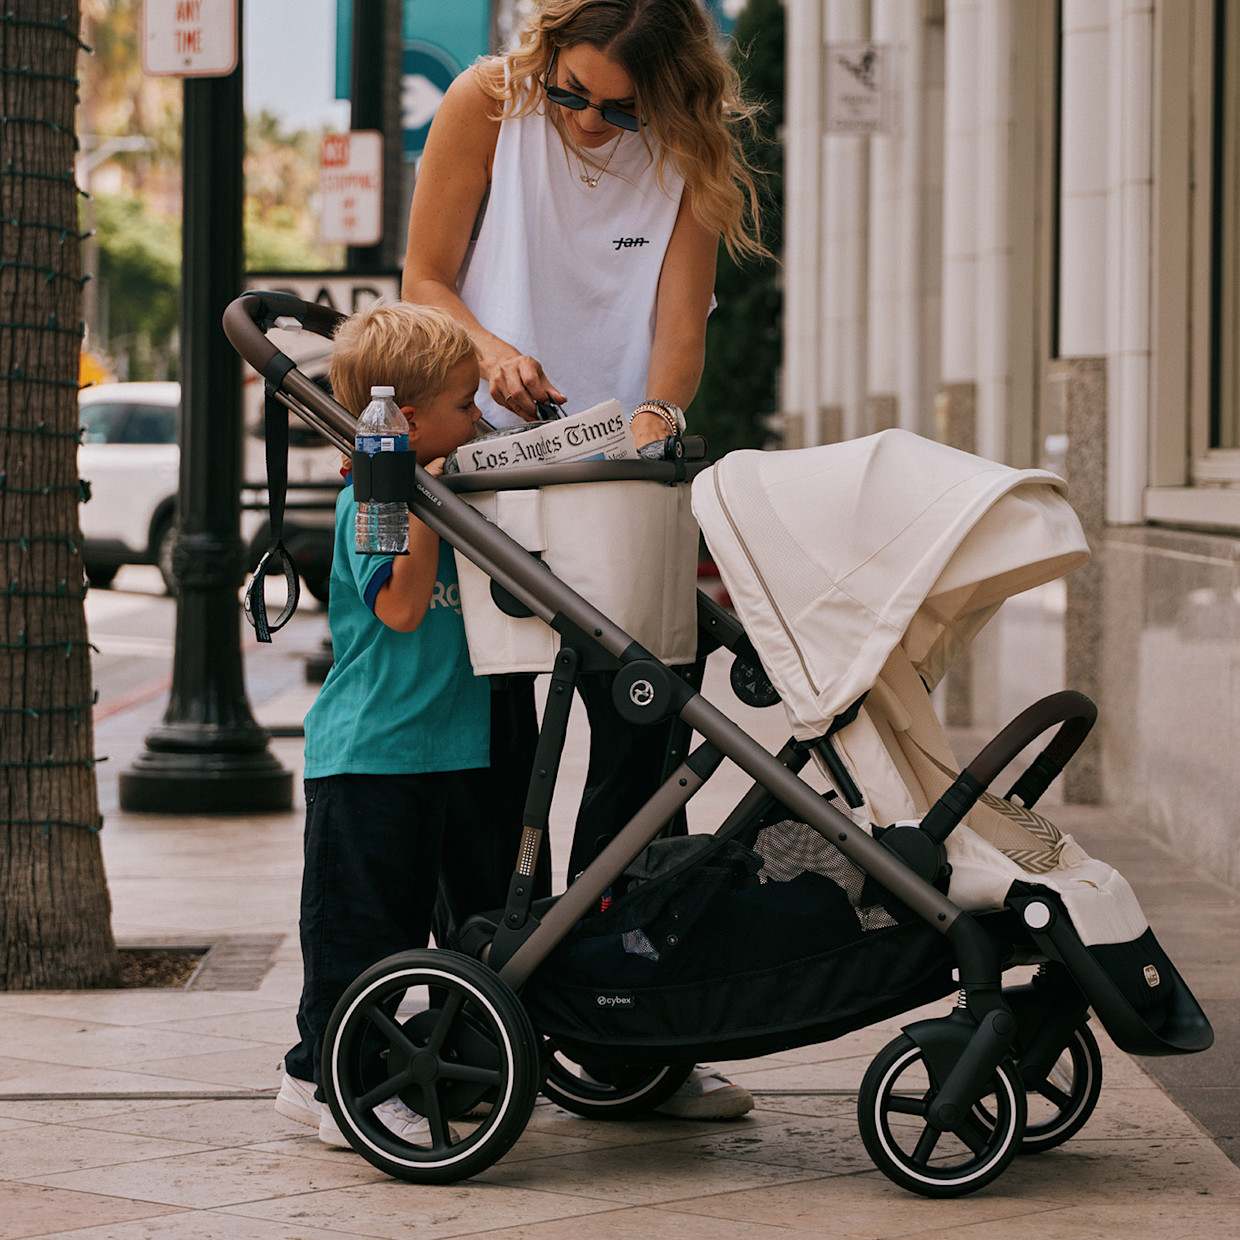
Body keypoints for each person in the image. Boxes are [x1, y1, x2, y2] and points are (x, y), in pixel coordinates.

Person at [403, 0, 767, 1121]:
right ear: (547, 55)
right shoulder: (488, 103)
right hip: (494, 468)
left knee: (644, 731)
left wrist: (656, 416)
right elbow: (425, 275)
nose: (589, 122)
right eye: (573, 93)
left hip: (618, 478)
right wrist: (494, 351)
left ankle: (629, 1027)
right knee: (494, 753)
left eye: (619, 107)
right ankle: (483, 1005)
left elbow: (675, 340)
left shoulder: (689, 152)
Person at [275, 301, 488, 1147]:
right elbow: (400, 606)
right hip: (370, 755)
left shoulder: (454, 486)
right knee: (362, 938)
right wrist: (411, 488)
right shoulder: (375, 500)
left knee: (445, 929)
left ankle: (429, 1061)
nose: (477, 419)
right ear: (405, 420)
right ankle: (323, 1080)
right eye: (465, 404)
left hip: (451, 747)